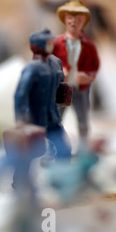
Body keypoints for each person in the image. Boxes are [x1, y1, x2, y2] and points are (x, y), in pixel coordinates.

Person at [14, 29, 72, 166]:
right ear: (36, 46)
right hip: (35, 116)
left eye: (51, 42)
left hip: (52, 115)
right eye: (47, 43)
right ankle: (19, 178)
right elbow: (20, 94)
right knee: (28, 151)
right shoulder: (32, 68)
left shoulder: (56, 62)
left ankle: (62, 172)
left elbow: (60, 83)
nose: (51, 45)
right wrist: (21, 118)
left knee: (64, 148)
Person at [53, 0, 100, 152]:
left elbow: (94, 65)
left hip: (81, 88)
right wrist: (59, 73)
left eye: (78, 19)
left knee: (83, 121)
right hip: (62, 88)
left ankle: (83, 150)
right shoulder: (57, 43)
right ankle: (56, 150)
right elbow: (48, 63)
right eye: (70, 18)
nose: (73, 22)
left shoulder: (89, 44)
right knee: (56, 120)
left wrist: (87, 76)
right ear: (65, 20)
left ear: (83, 22)